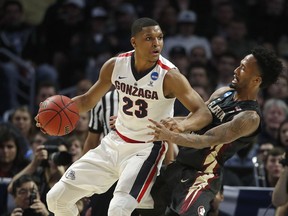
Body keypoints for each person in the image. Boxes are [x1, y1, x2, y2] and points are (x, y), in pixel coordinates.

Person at [36, 17, 211, 216]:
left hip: (146, 149)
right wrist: (49, 115)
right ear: (134, 42)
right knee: (55, 199)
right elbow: (86, 100)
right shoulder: (115, 65)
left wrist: (182, 125)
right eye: (149, 38)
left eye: (160, 38)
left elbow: (203, 112)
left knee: (118, 210)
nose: (156, 43)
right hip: (113, 142)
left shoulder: (170, 76)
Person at [147, 46, 283, 215]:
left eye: (242, 68)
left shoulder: (249, 117)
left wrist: (170, 135)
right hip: (180, 164)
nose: (235, 70)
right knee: (144, 210)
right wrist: (148, 123)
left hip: (202, 176)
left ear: (256, 80)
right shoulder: (224, 92)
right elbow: (192, 120)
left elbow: (206, 139)